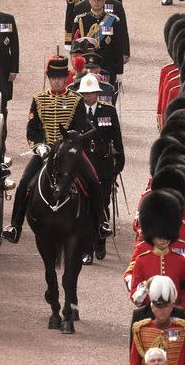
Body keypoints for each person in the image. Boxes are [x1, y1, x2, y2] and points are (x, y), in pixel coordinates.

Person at [2, 57, 83, 243]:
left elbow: (80, 127)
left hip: (68, 152)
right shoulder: (39, 99)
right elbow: (32, 129)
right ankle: (15, 226)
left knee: (92, 179)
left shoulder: (76, 100)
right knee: (24, 183)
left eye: (60, 77)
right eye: (53, 77)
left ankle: (100, 222)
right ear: (48, 78)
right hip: (45, 152)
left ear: (66, 78)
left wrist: (67, 145)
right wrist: (39, 147)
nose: (56, 80)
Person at [69, 73, 124, 264]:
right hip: (83, 166)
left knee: (101, 205)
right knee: (82, 208)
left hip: (103, 167)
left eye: (92, 93)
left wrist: (118, 164)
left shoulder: (108, 111)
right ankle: (87, 249)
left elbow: (116, 138)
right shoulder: (75, 112)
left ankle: (100, 241)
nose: (89, 96)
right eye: (85, 93)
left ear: (98, 93)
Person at [130, 276, 185, 365]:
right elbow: (134, 362)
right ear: (152, 308)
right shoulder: (140, 330)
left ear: (172, 306)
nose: (162, 311)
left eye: (165, 306)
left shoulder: (184, 330)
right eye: (158, 307)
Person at [72, 0, 127, 85]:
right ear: (89, 0)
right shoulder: (80, 20)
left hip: (107, 67)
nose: (97, 2)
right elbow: (75, 49)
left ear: (104, 0)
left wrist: (119, 71)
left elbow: (118, 47)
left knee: (107, 97)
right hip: (86, 67)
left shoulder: (113, 20)